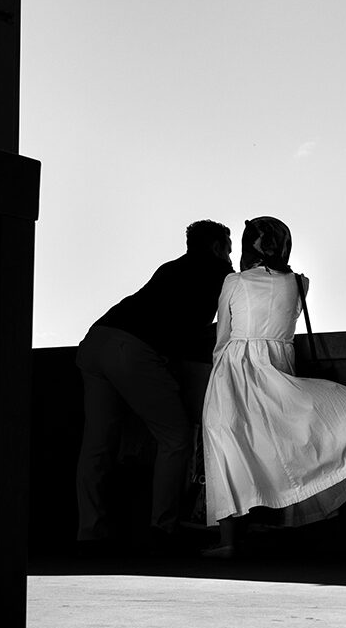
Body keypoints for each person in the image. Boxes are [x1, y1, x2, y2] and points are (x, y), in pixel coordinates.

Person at [201, 216, 346, 557]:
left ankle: (227, 541)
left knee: (229, 447)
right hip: (278, 369)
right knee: (281, 446)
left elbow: (223, 335)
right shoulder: (298, 283)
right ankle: (277, 526)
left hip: (235, 372)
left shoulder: (234, 282)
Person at [75, 219, 233, 551]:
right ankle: (164, 529)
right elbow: (209, 330)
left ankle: (90, 533)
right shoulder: (219, 274)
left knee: (97, 445)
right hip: (132, 351)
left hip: (96, 340)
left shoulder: (170, 269)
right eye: (229, 248)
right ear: (219, 247)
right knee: (175, 437)